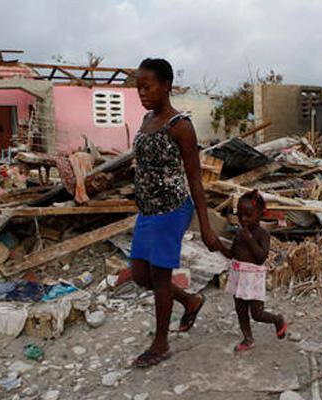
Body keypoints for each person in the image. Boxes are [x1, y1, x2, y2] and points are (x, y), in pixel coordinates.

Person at [129, 58, 221, 368]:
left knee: (159, 273)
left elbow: (195, 177)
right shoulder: (145, 121)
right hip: (148, 209)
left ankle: (160, 343)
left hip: (172, 208)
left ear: (166, 85)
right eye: (138, 87)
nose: (141, 92)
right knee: (141, 275)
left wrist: (206, 227)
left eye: (147, 86)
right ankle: (191, 300)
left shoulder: (180, 125)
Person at [219, 190, 287, 352]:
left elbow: (260, 257)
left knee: (257, 313)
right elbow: (232, 254)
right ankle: (248, 338)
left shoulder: (262, 234)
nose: (243, 219)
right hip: (238, 275)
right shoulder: (239, 233)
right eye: (240, 215)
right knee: (241, 310)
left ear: (259, 215)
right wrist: (218, 246)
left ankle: (278, 320)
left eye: (248, 215)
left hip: (253, 277)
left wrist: (248, 237)